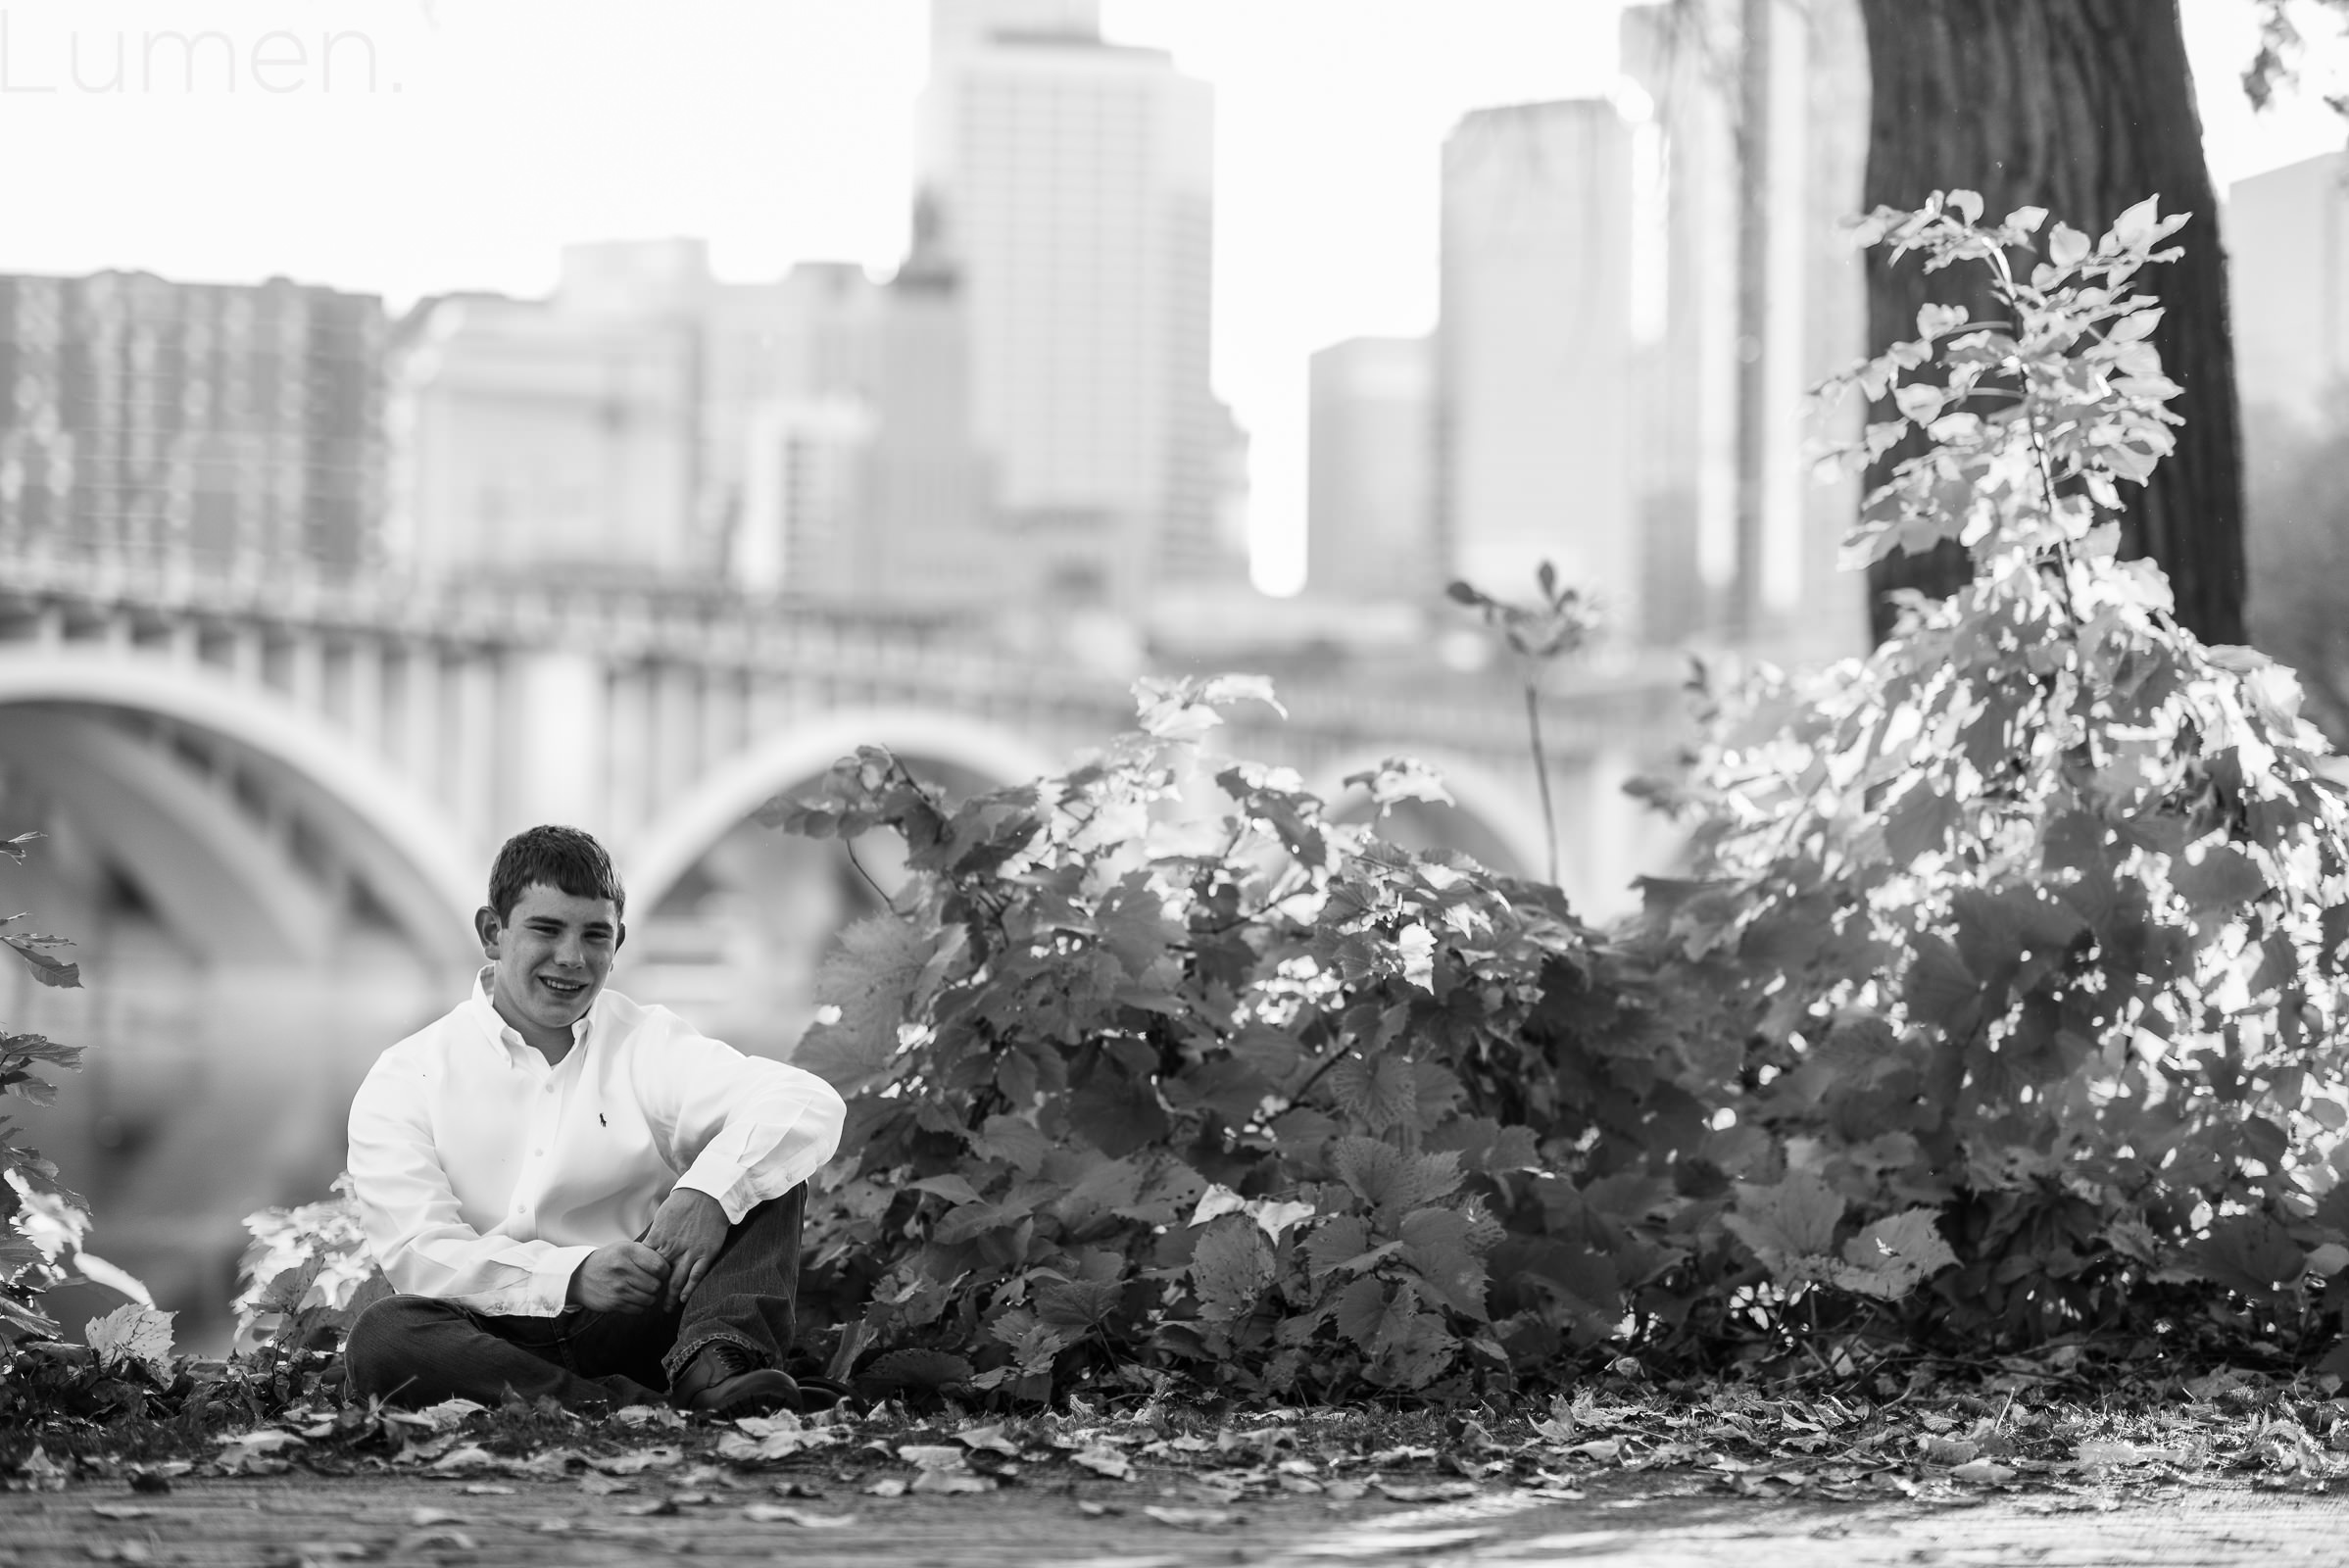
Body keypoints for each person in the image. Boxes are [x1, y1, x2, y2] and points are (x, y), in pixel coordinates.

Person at [342, 824, 847, 1415]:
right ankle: (632, 1409)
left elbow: (805, 1101)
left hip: (639, 1320)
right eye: (547, 929)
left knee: (763, 1167)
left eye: (594, 936)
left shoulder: (646, 1042)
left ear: (619, 942)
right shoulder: (409, 1074)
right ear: (492, 933)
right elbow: (420, 1254)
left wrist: (708, 1192)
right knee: (383, 1336)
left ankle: (714, 1365)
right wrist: (573, 1274)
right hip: (484, 1335)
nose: (572, 959)